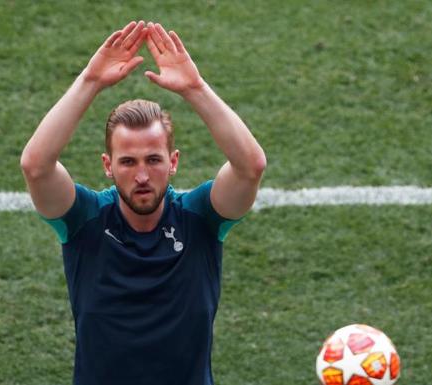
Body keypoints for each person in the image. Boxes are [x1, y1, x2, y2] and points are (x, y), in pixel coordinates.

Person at [20, 20, 266, 385]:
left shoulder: (200, 219)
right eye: (128, 162)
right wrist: (90, 82)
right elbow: (36, 167)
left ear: (173, 162)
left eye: (153, 160)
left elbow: (250, 167)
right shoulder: (85, 221)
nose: (141, 176)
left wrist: (195, 89)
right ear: (108, 166)